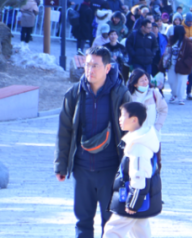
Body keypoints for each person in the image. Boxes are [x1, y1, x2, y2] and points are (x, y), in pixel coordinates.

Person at [55, 46, 132, 238]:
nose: (90, 70)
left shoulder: (120, 94)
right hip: (82, 170)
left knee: (111, 224)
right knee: (82, 222)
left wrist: (131, 171)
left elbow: (131, 133)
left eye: (95, 66)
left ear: (107, 68)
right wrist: (61, 165)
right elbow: (64, 131)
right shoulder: (74, 93)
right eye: (87, 65)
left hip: (110, 171)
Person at [104, 101, 162, 238]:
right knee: (140, 232)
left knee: (112, 231)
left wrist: (133, 203)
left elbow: (139, 176)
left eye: (122, 115)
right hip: (138, 198)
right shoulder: (139, 139)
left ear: (134, 119)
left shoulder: (138, 146)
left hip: (132, 198)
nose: (119, 119)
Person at [126, 69, 168, 138]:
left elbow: (163, 109)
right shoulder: (129, 97)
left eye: (146, 79)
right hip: (135, 136)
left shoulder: (154, 93)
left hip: (152, 134)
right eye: (141, 81)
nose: (145, 82)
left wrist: (157, 127)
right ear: (135, 84)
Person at [168, 25, 192, 105]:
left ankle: (181, 97)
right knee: (172, 81)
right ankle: (174, 94)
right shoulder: (171, 40)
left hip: (183, 66)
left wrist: (185, 63)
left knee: (182, 82)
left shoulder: (187, 42)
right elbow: (167, 51)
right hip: (171, 65)